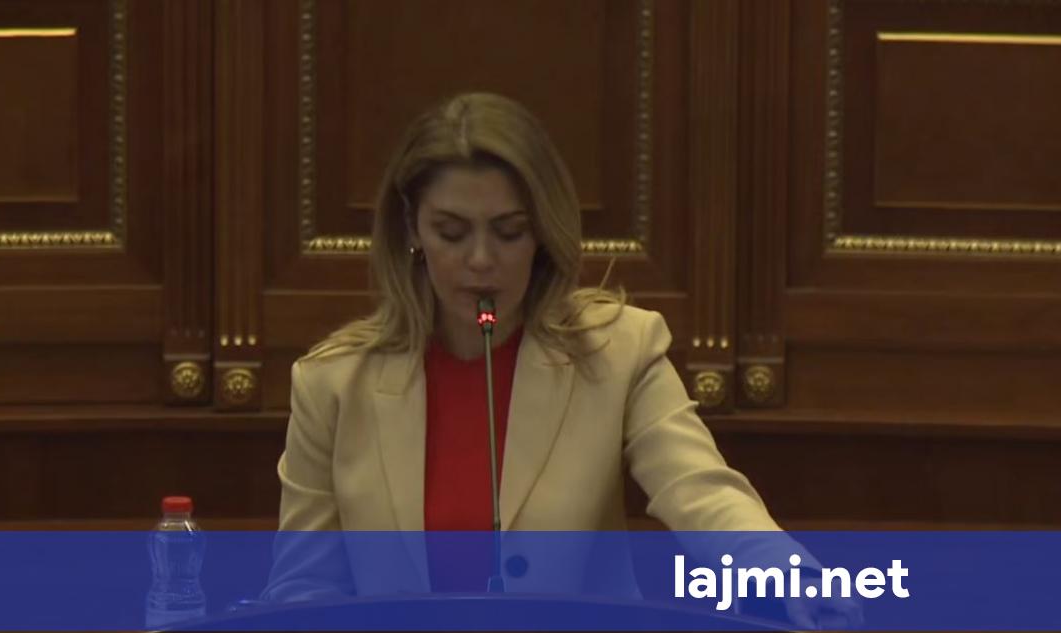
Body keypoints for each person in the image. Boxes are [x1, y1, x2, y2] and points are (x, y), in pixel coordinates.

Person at [267, 92, 860, 628]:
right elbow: (304, 591)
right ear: (411, 229)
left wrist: (794, 579)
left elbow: (702, 494)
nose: (481, 260)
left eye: (509, 232)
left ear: (543, 233)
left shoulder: (617, 351)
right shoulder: (333, 383)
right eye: (451, 232)